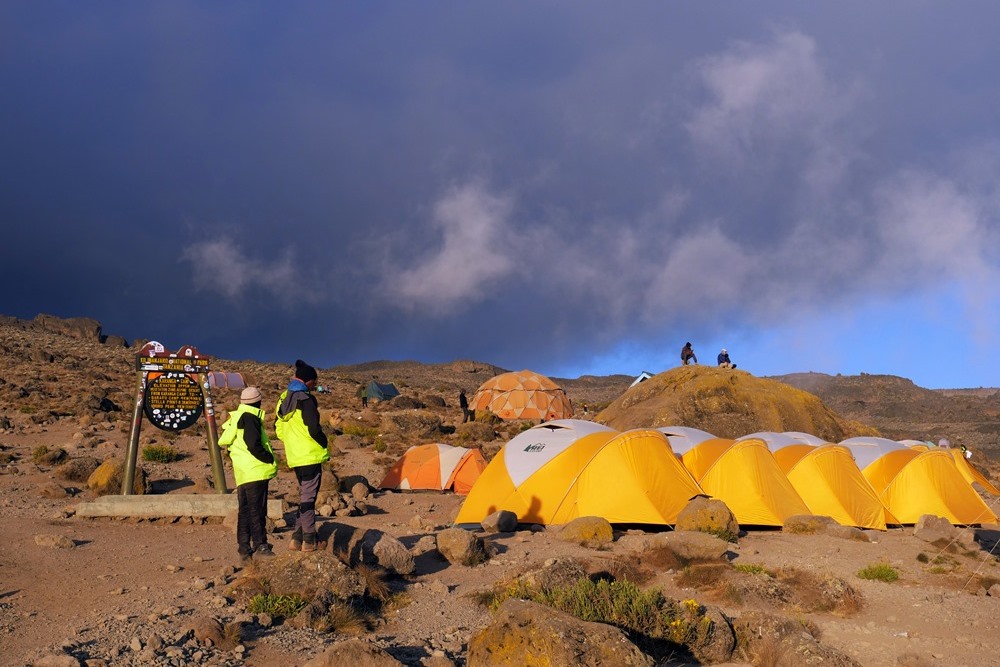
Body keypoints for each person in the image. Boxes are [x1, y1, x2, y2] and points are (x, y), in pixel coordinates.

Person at [218, 386, 277, 565]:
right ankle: (261, 547)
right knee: (257, 510)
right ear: (258, 402)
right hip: (255, 470)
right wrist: (267, 458)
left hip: (243, 473)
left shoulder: (236, 418)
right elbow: (253, 444)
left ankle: (244, 550)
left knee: (244, 511)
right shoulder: (250, 418)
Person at [275, 359, 330, 552]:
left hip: (295, 456)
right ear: (307, 381)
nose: (315, 385)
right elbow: (314, 428)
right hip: (310, 455)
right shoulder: (306, 399)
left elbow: (278, 429)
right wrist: (324, 441)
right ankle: (309, 541)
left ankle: (296, 539)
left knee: (305, 496)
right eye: (314, 381)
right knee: (308, 499)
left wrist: (292, 441)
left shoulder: (283, 399)